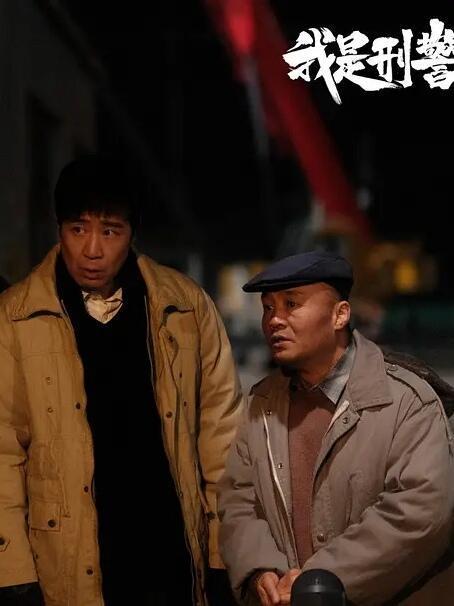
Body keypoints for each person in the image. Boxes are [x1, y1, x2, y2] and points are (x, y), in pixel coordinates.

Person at [0, 155, 243, 606]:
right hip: (69, 563)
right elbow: (3, 451)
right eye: (78, 229)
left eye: (110, 231)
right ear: (59, 229)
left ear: (132, 233)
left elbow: (222, 437)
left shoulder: (185, 308)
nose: (92, 249)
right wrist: (11, 570)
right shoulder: (16, 317)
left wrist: (221, 552)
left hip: (171, 556)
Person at [218, 251, 454, 606]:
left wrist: (322, 578)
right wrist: (260, 569)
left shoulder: (405, 401)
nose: (274, 320)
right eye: (268, 308)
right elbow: (239, 499)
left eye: (291, 304)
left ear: (340, 314)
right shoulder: (262, 403)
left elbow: (421, 511)